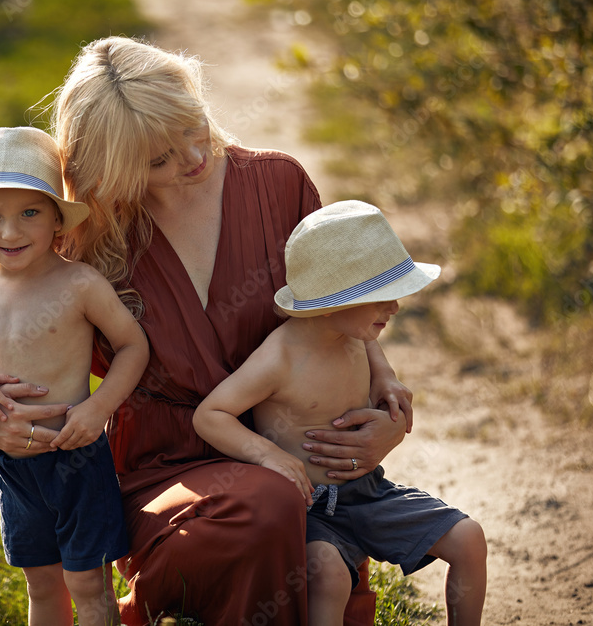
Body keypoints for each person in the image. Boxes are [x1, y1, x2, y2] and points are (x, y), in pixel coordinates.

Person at [0, 36, 410, 625]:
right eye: (157, 160)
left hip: (298, 446)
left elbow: (345, 315)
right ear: (113, 169)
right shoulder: (92, 235)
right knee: (264, 508)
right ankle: (160, 596)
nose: (193, 158)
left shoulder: (279, 185)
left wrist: (387, 422)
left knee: (299, 530)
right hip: (167, 465)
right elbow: (16, 347)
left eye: (192, 129)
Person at [194, 201, 487, 625]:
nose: (395, 309)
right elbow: (210, 414)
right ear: (334, 302)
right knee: (328, 575)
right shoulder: (280, 357)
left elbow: (369, 347)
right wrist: (268, 455)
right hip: (311, 509)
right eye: (382, 298)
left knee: (469, 538)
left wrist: (385, 377)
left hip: (368, 492)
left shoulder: (352, 330)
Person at [0, 126, 149, 626]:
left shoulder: (79, 283)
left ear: (57, 217)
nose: (10, 233)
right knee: (42, 586)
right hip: (12, 466)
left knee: (88, 585)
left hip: (76, 457)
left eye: (29, 213)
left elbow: (132, 346)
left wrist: (99, 407)